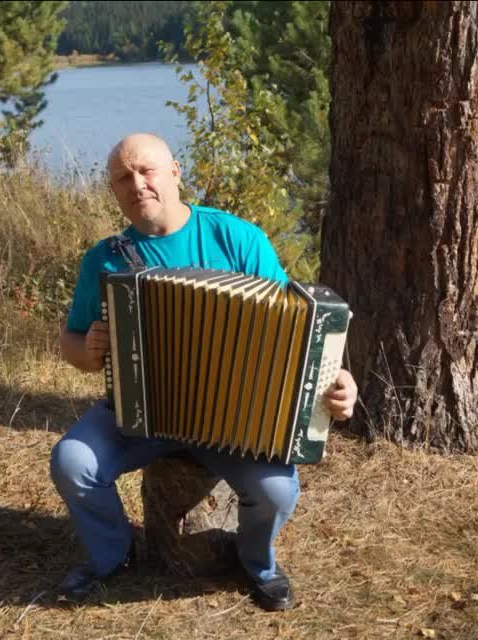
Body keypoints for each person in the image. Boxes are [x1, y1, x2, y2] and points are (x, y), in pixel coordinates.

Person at [50, 133, 358, 611]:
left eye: (147, 170)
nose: (137, 184)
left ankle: (258, 565)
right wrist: (87, 351)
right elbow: (69, 341)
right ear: (114, 192)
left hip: (232, 419)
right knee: (73, 461)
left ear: (175, 173)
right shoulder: (105, 259)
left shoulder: (235, 238)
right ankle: (112, 558)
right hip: (139, 412)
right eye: (123, 178)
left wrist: (340, 380)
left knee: (276, 490)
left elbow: (297, 330)